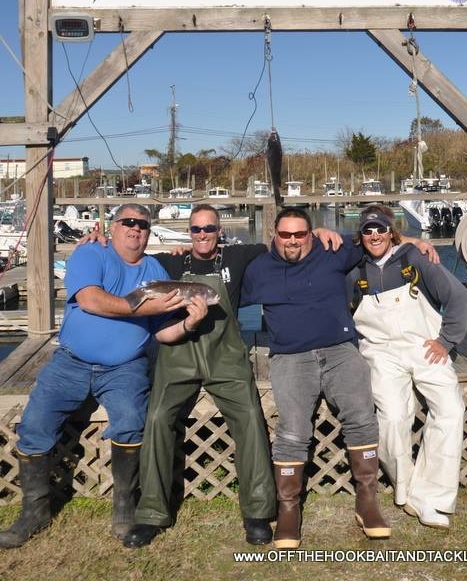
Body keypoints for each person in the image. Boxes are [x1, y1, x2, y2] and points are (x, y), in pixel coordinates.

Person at [123, 203, 344, 548]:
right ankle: (151, 513)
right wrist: (99, 240)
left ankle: (258, 511)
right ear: (189, 232)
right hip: (178, 354)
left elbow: (286, 242)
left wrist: (315, 233)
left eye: (209, 229)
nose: (202, 235)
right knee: (156, 417)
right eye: (196, 229)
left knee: (251, 417)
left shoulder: (241, 256)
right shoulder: (169, 262)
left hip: (225, 356)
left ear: (220, 231)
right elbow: (130, 256)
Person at [0, 204, 208, 550]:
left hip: (125, 367)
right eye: (128, 222)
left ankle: (124, 505)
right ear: (112, 227)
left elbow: (162, 332)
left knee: (132, 421)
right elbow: (91, 300)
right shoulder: (90, 253)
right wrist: (145, 307)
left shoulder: (155, 270)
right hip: (71, 362)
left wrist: (189, 323)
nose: (136, 228)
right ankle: (34, 511)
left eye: (143, 224)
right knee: (34, 424)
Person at [239, 207, 438, 548]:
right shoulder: (258, 269)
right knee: (292, 431)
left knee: (362, 418)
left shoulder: (333, 250)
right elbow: (235, 302)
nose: (292, 241)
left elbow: (375, 239)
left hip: (339, 350)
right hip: (290, 356)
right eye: (285, 234)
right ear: (274, 234)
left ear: (310, 234)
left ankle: (367, 501)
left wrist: (411, 240)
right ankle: (288, 510)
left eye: (300, 234)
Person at [347, 204, 467, 530]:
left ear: (392, 232)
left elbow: (459, 298)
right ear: (360, 235)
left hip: (425, 346)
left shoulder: (414, 258)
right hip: (380, 353)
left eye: (381, 228)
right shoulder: (353, 269)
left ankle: (433, 494)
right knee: (392, 418)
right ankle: (406, 489)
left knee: (450, 409)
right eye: (368, 230)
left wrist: (446, 340)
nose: (375, 235)